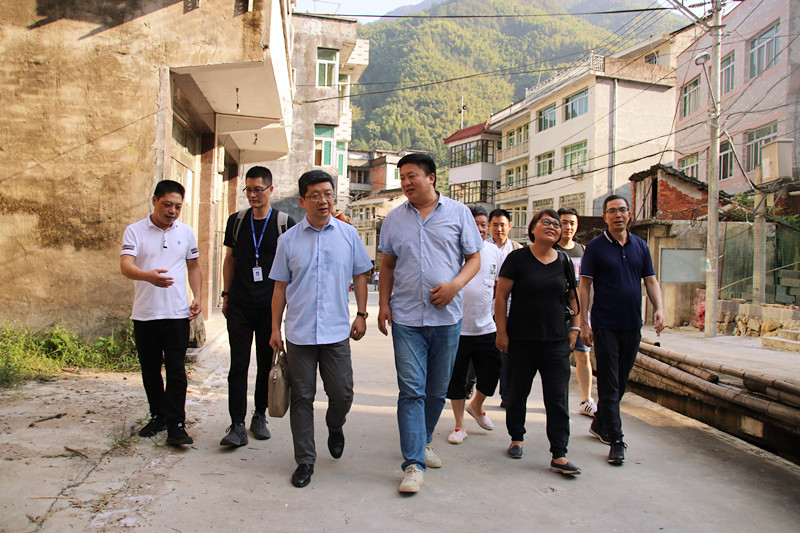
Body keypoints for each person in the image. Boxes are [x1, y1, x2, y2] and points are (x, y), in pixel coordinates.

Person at [378, 153, 483, 493]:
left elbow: (474, 258)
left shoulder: (459, 213)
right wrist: (382, 305)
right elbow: (387, 266)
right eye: (402, 177)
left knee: (436, 390)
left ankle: (422, 441)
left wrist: (455, 286)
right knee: (411, 390)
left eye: (412, 176)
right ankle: (413, 463)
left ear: (431, 177)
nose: (406, 183)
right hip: (406, 317)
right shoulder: (394, 219)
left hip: (446, 319)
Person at [269, 170, 372, 488]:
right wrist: (274, 328)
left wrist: (362, 314)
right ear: (303, 201)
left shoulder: (348, 235)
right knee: (302, 397)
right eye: (315, 195)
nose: (323, 200)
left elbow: (359, 275)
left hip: (336, 331)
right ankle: (305, 460)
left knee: (342, 392)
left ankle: (335, 425)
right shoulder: (288, 240)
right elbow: (279, 288)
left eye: (328, 194)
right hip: (299, 333)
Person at [579, 195, 665, 466]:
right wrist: (584, 322)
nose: (618, 215)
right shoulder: (595, 247)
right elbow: (585, 286)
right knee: (610, 382)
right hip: (605, 324)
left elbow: (650, 280)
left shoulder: (640, 245)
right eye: (612, 211)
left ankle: (600, 423)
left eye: (622, 210)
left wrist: (659, 309)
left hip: (632, 324)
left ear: (630, 214)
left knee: (622, 381)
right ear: (605, 217)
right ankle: (616, 440)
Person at [495, 209, 582, 476]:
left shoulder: (564, 260)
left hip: (556, 342)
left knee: (557, 399)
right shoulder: (517, 258)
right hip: (521, 341)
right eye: (546, 222)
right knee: (517, 393)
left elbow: (573, 297)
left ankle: (559, 453)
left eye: (556, 224)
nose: (553, 226)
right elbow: (501, 297)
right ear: (532, 228)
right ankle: (516, 438)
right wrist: (501, 332)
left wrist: (575, 328)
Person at [120, 179, 202, 446]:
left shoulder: (186, 232)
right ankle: (158, 415)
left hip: (177, 314)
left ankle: (177, 424)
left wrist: (198, 296)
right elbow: (125, 265)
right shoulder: (135, 231)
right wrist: (148, 277)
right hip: (145, 314)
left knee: (177, 370)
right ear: (154, 200)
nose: (172, 211)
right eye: (167, 204)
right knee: (150, 369)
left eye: (178, 206)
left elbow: (193, 266)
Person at [219, 166, 295, 448]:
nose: (252, 195)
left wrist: (286, 309)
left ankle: (259, 416)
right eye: (248, 190)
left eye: (258, 190)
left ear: (270, 190)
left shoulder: (284, 223)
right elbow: (230, 259)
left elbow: (292, 267)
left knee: (266, 364)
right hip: (239, 304)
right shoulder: (237, 221)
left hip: (268, 307)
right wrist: (226, 295)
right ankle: (236, 424)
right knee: (238, 364)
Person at [445, 205, 503, 445]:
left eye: (483, 224)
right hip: (457, 328)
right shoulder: (453, 249)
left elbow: (498, 288)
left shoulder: (494, 251)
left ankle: (476, 406)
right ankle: (459, 426)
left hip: (485, 327)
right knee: (457, 379)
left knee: (492, 373)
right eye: (474, 224)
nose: (479, 229)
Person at [555, 207, 596, 417]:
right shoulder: (551, 250)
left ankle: (586, 400)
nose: (568, 227)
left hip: (579, 314)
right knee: (558, 359)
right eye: (564, 222)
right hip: (557, 314)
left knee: (583, 355)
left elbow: (589, 285)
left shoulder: (583, 251)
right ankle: (557, 401)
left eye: (572, 222)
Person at [486, 208, 523, 408]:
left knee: (508, 355)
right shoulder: (481, 248)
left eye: (502, 225)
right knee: (485, 352)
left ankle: (507, 395)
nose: (499, 229)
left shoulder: (518, 250)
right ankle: (471, 383)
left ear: (509, 226)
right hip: (486, 310)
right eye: (495, 225)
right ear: (489, 226)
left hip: (510, 310)